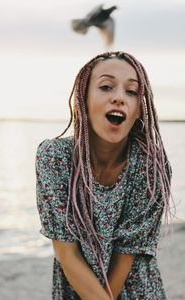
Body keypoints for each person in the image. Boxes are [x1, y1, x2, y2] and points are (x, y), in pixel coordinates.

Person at [35, 51, 172, 300]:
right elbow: (67, 255)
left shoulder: (151, 167)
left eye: (131, 91)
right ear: (83, 98)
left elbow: (125, 255)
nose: (119, 97)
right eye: (106, 86)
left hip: (138, 291)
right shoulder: (54, 158)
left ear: (139, 110)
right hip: (76, 288)